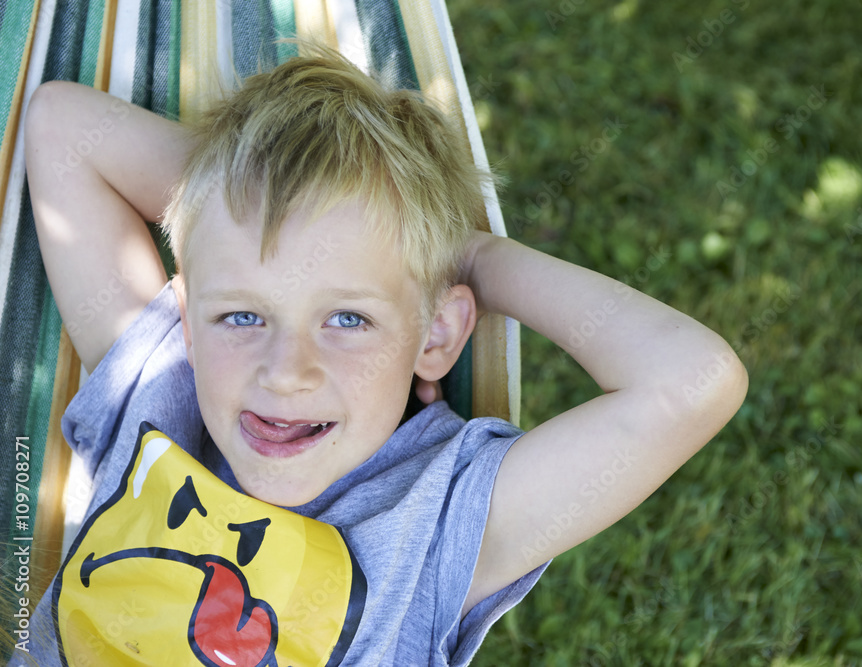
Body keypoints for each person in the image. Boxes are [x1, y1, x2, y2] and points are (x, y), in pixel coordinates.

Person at [15, 47, 747, 665]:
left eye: (346, 318)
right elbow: (60, 128)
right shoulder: (164, 387)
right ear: (192, 310)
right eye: (242, 312)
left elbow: (692, 381)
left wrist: (470, 257)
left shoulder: (440, 514)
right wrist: (226, 209)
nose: (284, 370)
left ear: (434, 334)